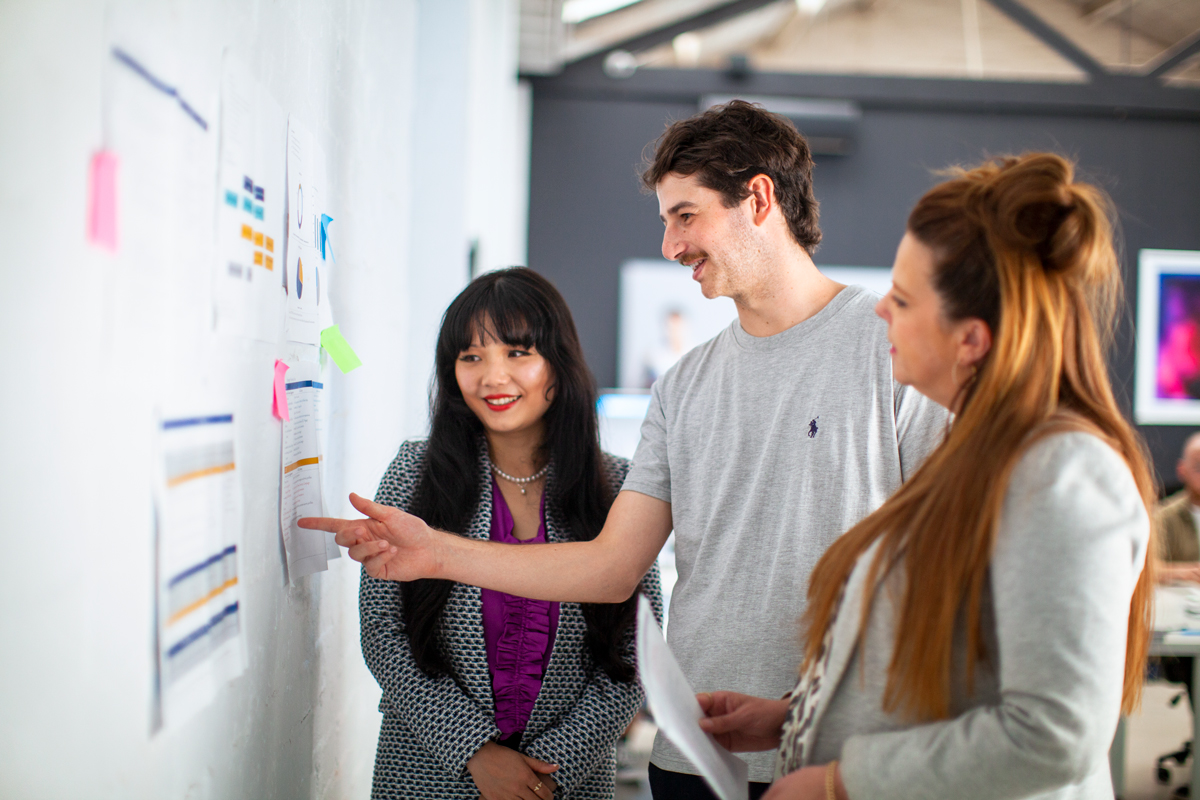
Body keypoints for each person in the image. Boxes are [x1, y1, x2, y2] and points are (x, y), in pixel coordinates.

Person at [303, 100, 946, 798]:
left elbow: (950, 564)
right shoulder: (683, 386)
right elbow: (613, 570)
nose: (672, 245)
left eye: (686, 215)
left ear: (759, 198)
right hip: (695, 758)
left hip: (842, 755)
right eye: (665, 221)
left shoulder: (890, 353)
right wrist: (438, 551)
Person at [695, 153, 1157, 800]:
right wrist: (793, 719)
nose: (881, 308)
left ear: (970, 339)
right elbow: (946, 667)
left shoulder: (1061, 474)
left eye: (904, 298)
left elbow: (1053, 733)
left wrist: (837, 782)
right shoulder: (971, 452)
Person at [358, 267, 661, 800]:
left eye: (518, 353)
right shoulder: (415, 472)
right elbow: (385, 633)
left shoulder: (617, 487)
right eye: (471, 357)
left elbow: (638, 652)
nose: (493, 377)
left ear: (558, 363)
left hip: (565, 787)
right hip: (428, 775)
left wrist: (548, 772)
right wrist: (475, 754)